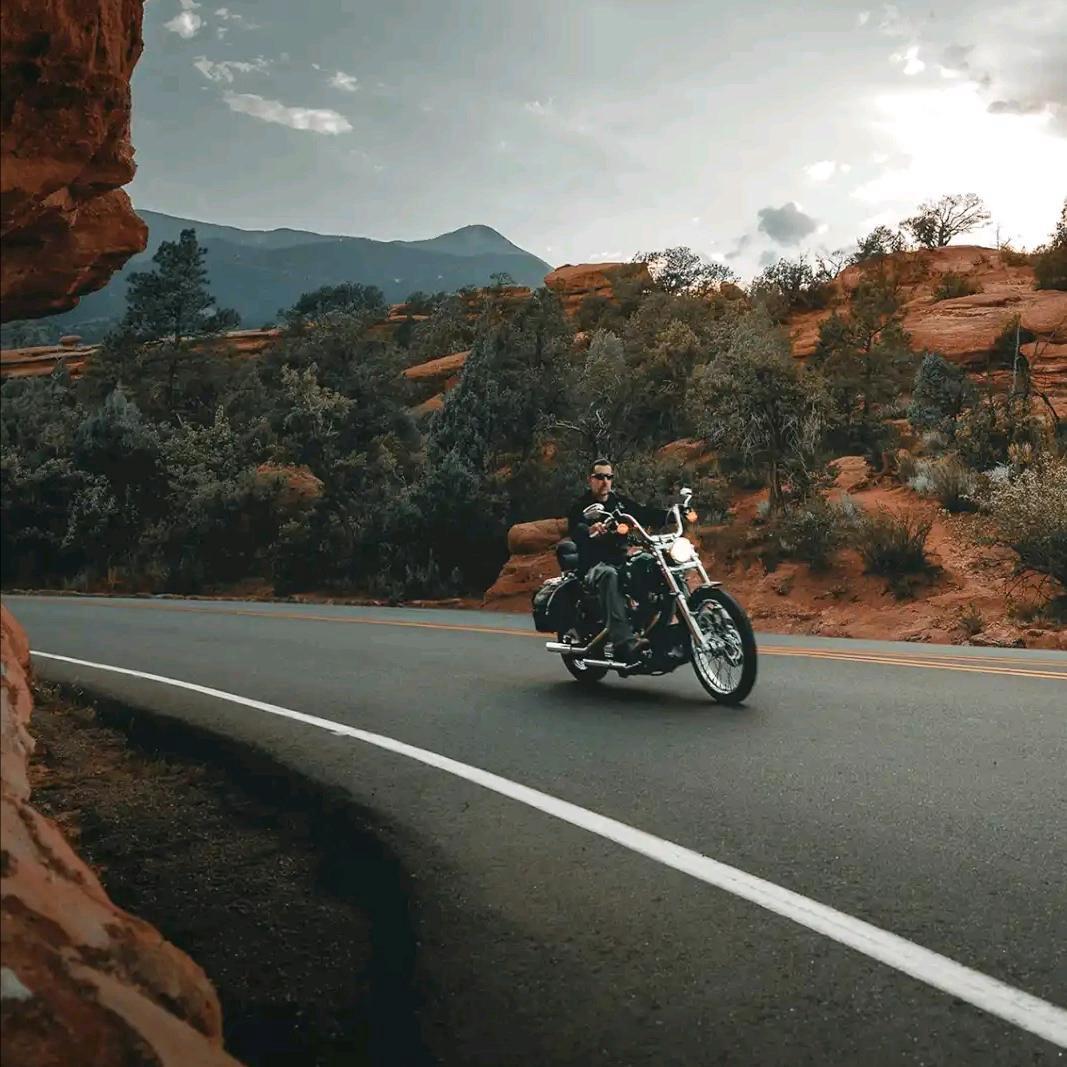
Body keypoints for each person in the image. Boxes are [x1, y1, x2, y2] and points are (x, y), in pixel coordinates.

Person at [567, 458, 671, 662]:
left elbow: (643, 513)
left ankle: (656, 628)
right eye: (599, 477)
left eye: (609, 477)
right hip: (593, 567)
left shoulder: (619, 503)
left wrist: (672, 515)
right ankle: (624, 644)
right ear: (591, 479)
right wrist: (591, 529)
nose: (605, 481)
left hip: (621, 561)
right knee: (609, 575)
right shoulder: (581, 506)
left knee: (651, 563)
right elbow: (576, 529)